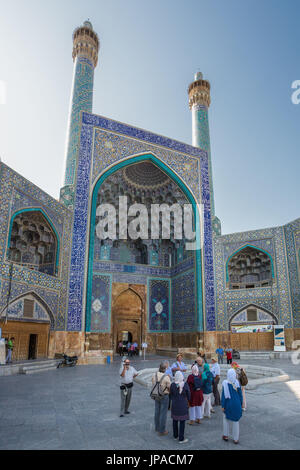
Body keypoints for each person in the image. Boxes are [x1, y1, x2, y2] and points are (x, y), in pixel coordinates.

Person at [221, 369, 243, 444]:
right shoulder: (237, 383)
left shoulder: (225, 383)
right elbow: (240, 394)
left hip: (228, 403)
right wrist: (241, 403)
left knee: (225, 419)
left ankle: (226, 435)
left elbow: (224, 396)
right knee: (236, 421)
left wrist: (223, 405)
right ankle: (235, 439)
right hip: (237, 403)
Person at [170, 371, 191, 443]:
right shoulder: (185, 384)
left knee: (175, 420)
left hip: (175, 404)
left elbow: (171, 394)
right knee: (182, 422)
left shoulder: (172, 385)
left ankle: (175, 435)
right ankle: (181, 438)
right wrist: (188, 400)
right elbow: (189, 394)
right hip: (183, 405)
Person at [151, 361, 171, 436]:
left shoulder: (154, 375)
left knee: (157, 411)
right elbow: (169, 387)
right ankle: (162, 430)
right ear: (165, 369)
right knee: (163, 413)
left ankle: (157, 427)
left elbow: (153, 383)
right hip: (164, 396)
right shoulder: (166, 377)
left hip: (156, 395)